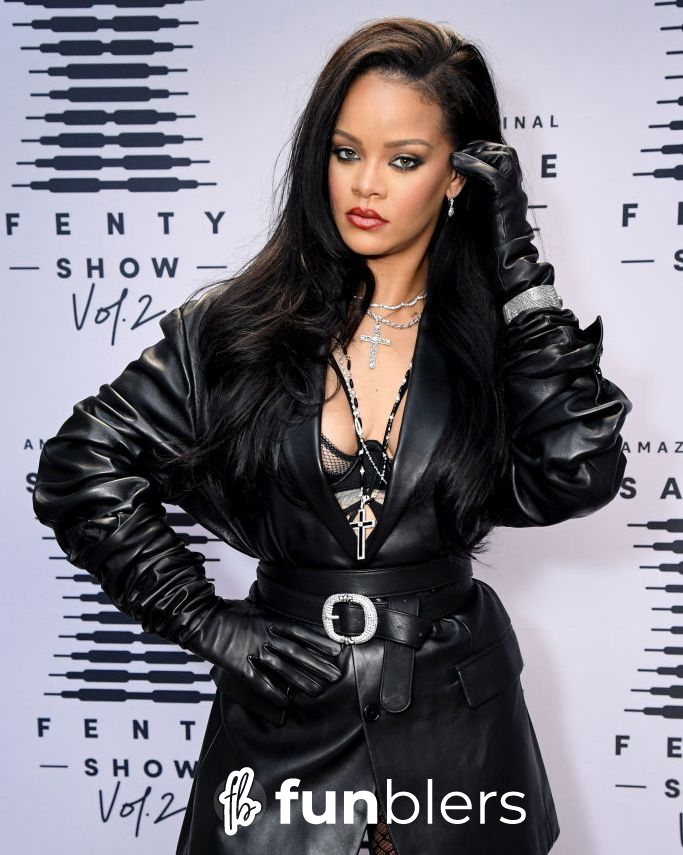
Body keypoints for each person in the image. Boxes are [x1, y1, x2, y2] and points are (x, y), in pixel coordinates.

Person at [32, 16, 632, 855]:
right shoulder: (234, 328)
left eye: (404, 160)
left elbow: (577, 472)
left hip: (457, 729)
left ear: (457, 176)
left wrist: (517, 263)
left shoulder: (501, 338)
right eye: (346, 152)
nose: (366, 185)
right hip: (283, 720)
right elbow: (79, 465)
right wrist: (208, 622)